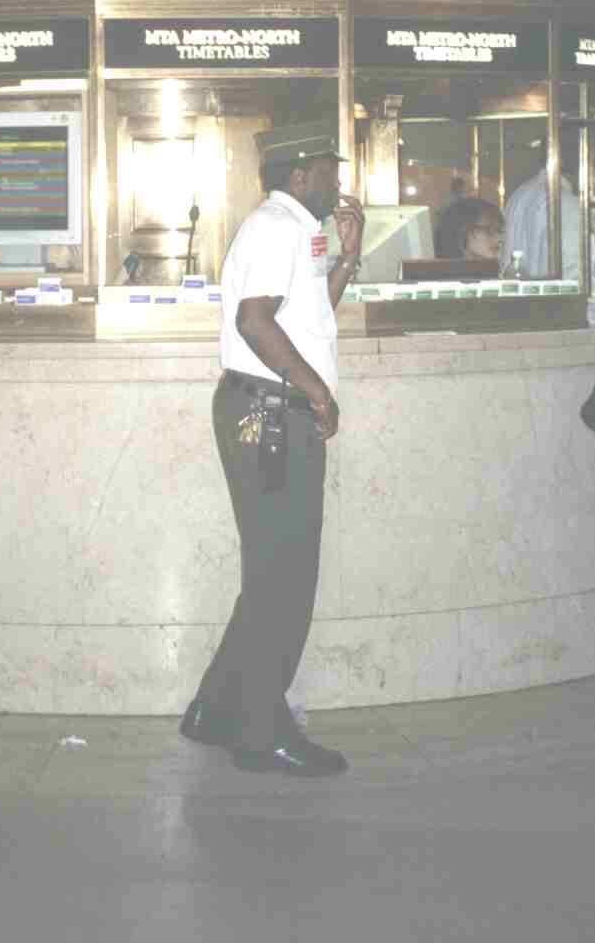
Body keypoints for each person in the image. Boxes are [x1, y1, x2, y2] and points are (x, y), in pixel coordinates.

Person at [179, 122, 364, 777]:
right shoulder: (274, 227)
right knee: (283, 579)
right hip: (271, 415)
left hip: (272, 411)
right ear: (298, 175)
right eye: (328, 170)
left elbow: (309, 320)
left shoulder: (296, 230)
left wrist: (347, 257)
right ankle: (260, 733)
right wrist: (318, 394)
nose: (337, 182)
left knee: (271, 575)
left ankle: (214, 709)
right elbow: (254, 320)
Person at [502, 140, 580, 280]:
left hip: (519, 298)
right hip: (553, 300)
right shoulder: (566, 203)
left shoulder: (519, 193)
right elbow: (573, 274)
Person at [434, 197, 504, 264]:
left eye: (499, 231)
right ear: (463, 232)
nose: (499, 238)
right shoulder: (449, 275)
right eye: (489, 230)